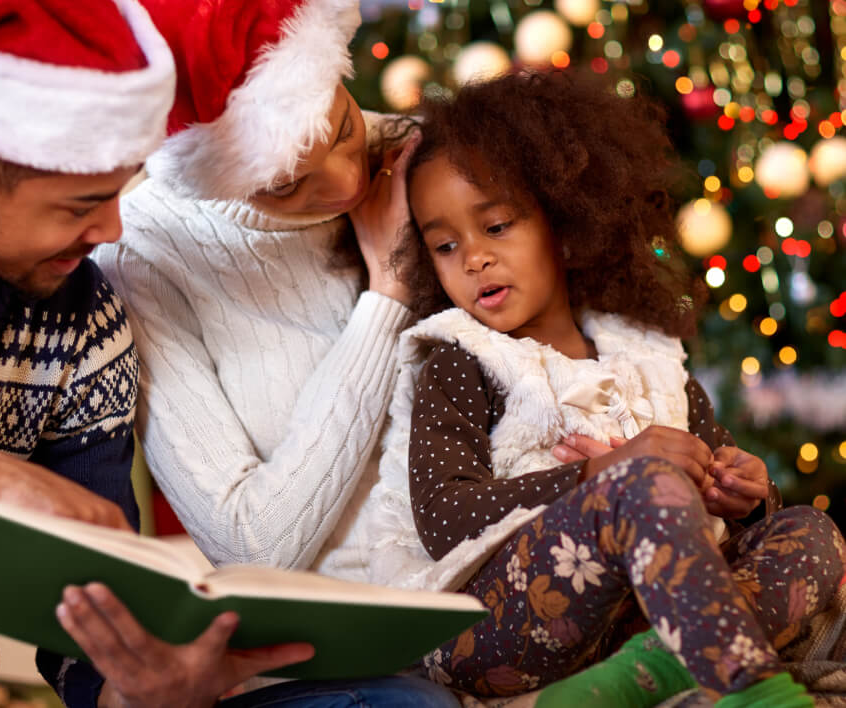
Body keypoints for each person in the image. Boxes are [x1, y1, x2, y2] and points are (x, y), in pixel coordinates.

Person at [0, 0, 323, 708]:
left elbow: (87, 624)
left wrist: (140, 691)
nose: (110, 230)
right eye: (76, 205)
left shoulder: (82, 322)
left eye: (117, 192)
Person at [354, 71, 846, 707]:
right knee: (640, 485)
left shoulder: (650, 354)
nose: (472, 257)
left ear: (563, 222)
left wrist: (745, 494)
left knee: (812, 532)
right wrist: (602, 477)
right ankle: (752, 693)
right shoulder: (462, 358)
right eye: (446, 245)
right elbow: (447, 520)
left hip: (636, 622)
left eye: (497, 226)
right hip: (490, 630)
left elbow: (728, 482)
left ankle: (638, 678)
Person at [92, 0, 457, 707]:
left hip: (492, 597)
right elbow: (253, 544)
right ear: (215, 174)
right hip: (329, 659)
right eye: (287, 184)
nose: (345, 181)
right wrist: (388, 294)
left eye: (346, 129)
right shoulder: (146, 254)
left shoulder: (429, 157)